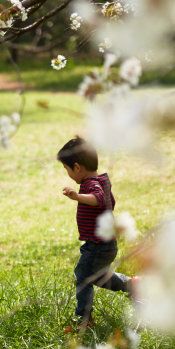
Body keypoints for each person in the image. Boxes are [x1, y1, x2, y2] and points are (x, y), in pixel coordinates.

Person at [58, 137, 134, 332]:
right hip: (103, 244)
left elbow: (99, 199)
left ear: (76, 167)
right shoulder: (101, 180)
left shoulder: (92, 184)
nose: (68, 174)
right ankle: (132, 284)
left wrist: (77, 197)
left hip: (98, 246)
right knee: (98, 277)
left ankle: (84, 320)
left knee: (83, 279)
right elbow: (110, 201)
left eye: (66, 169)